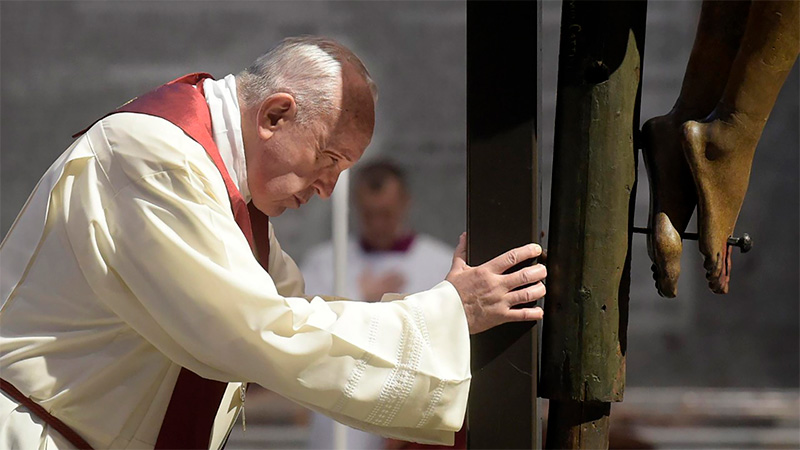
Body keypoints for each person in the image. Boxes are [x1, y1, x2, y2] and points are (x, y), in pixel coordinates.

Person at [0, 36, 547, 450]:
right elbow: (256, 330)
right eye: (329, 160)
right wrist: (449, 313)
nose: (330, 189)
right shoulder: (152, 156)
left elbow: (296, 315)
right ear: (276, 115)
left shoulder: (225, 188)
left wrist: (446, 312)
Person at [302, 160, 459, 449]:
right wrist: (362, 300)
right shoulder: (327, 261)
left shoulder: (439, 263)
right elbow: (304, 330)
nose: (377, 224)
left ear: (405, 204)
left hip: (407, 417)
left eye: (385, 214)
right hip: (338, 416)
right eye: (368, 214)